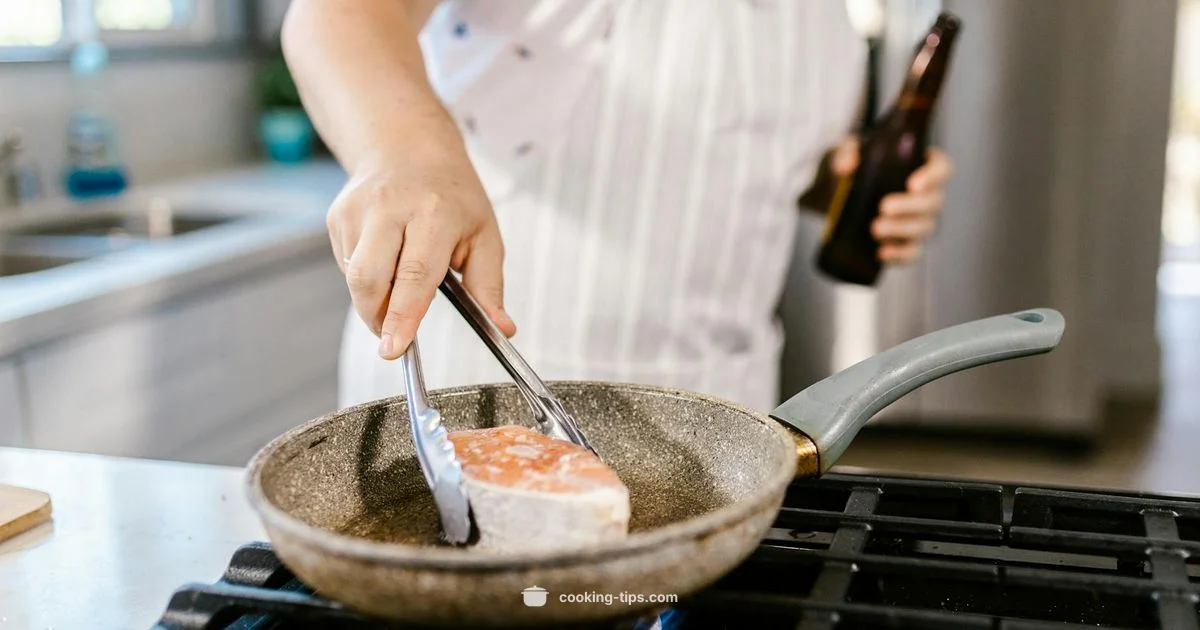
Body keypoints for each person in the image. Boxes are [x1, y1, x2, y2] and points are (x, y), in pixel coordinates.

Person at [282, 0, 954, 412]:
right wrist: (407, 149)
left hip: (724, 421)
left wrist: (844, 189)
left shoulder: (825, 15)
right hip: (488, 401)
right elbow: (337, 15)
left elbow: (751, 161)